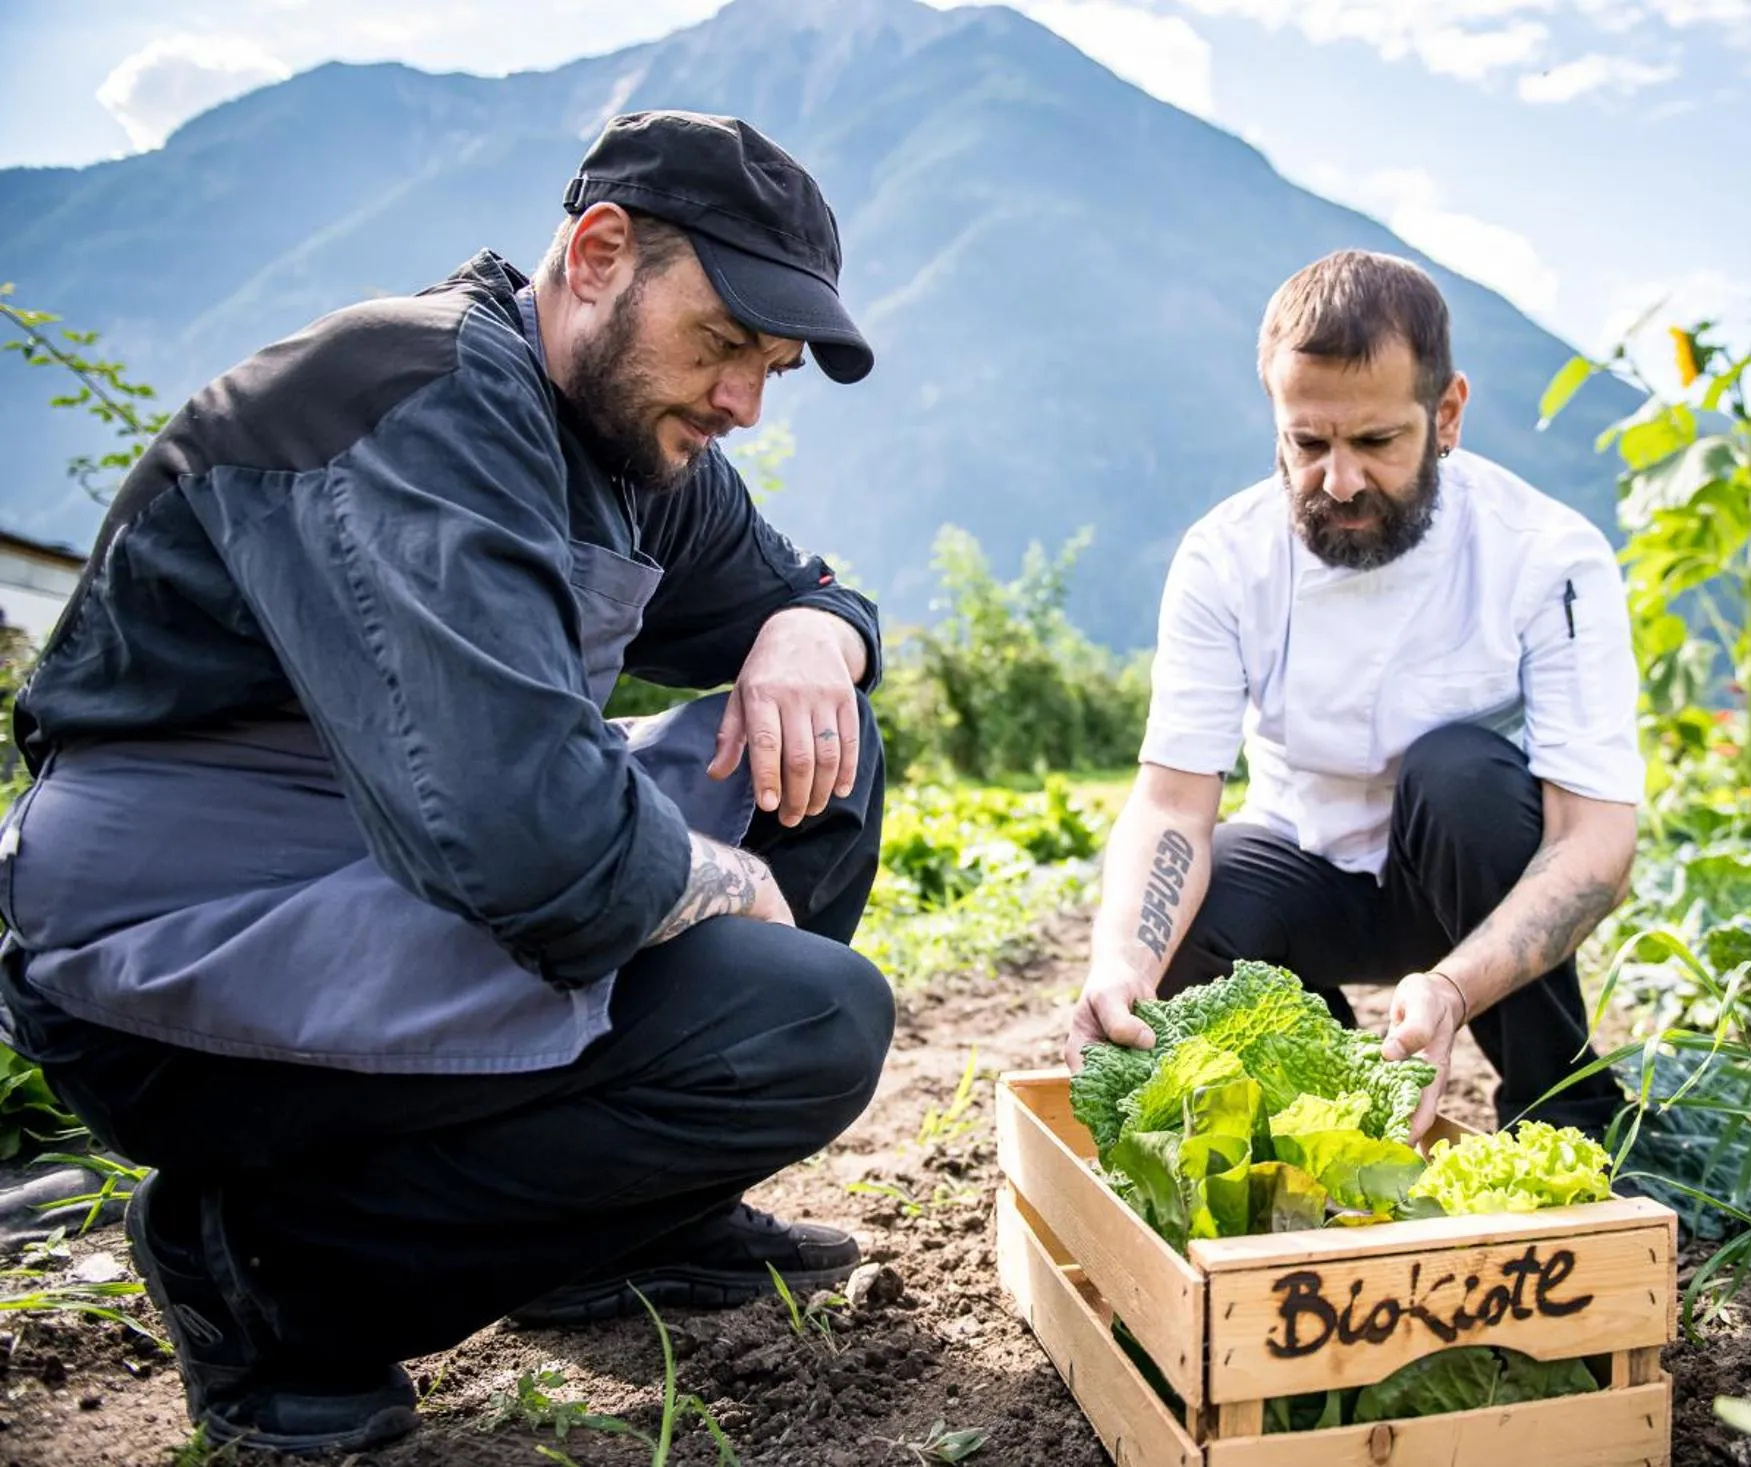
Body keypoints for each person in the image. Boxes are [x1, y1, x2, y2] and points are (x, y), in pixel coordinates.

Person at [0, 111, 895, 1454]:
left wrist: (823, 632)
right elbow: (533, 842)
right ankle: (269, 1277)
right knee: (798, 1020)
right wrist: (718, 882)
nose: (741, 404)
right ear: (597, 256)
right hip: (178, 931)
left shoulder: (633, 437)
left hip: (397, 869)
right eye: (723, 348)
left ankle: (620, 1228)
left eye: (768, 370)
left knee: (818, 764)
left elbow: (804, 590)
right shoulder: (417, 398)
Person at [1066, 249, 1642, 1142]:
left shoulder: (1548, 557)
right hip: (1307, 859)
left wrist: (1450, 987)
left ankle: (1567, 1114)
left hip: (1465, 880)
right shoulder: (1226, 558)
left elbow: (1596, 839)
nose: (1337, 481)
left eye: (1375, 442)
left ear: (1445, 415)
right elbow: (1174, 803)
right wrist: (1120, 962)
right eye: (1307, 443)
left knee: (1462, 775)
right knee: (1179, 931)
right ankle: (1333, 1111)